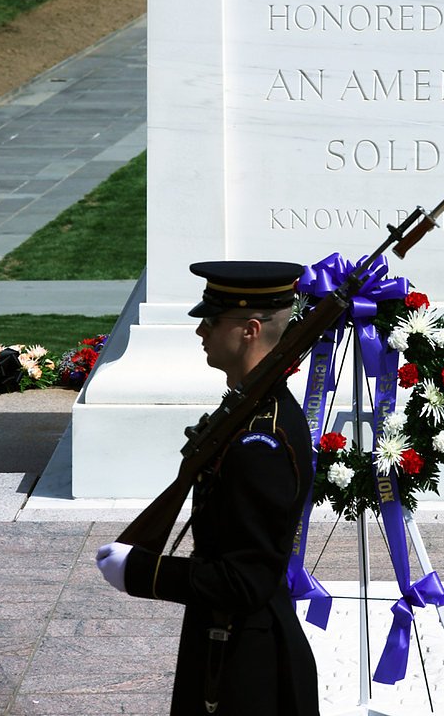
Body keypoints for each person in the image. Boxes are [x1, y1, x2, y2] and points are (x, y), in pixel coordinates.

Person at [96, 261, 320, 716]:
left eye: (212, 321)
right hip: (226, 640)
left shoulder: (261, 440)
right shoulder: (250, 409)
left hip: (245, 666)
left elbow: (246, 580)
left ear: (249, 330)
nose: (201, 331)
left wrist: (144, 573)